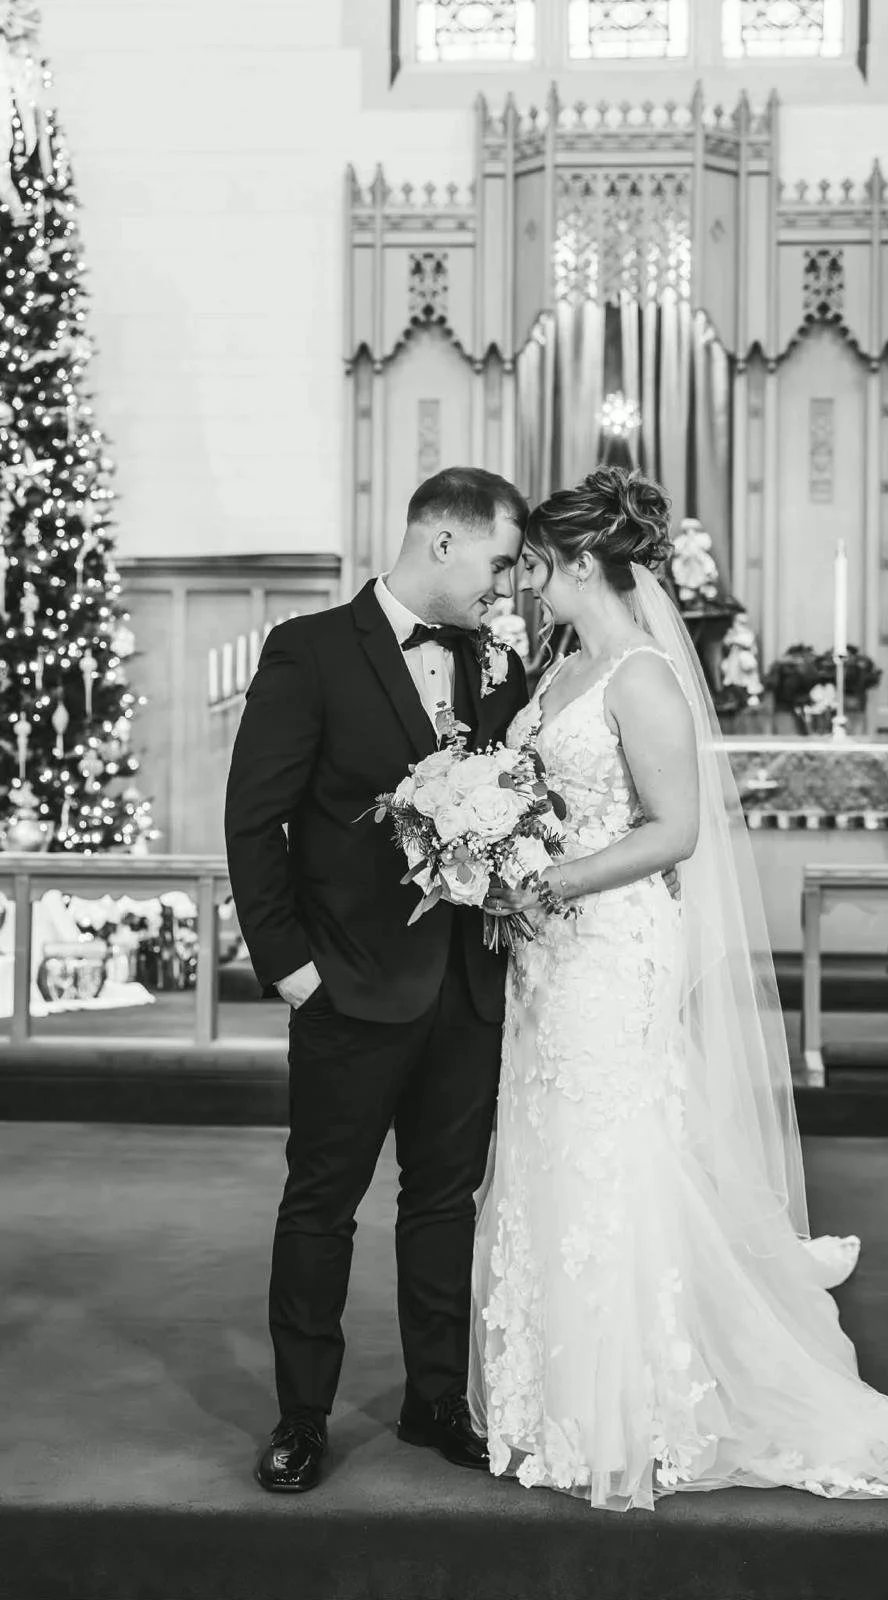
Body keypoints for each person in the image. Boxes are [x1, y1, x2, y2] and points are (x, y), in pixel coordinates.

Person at [470, 466, 888, 1513]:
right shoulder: (561, 668)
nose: (528, 583)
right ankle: (556, 1397)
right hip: (546, 949)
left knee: (613, 1146)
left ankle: (635, 1402)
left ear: (583, 562)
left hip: (610, 940)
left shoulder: (638, 676)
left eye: (538, 564)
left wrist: (556, 876)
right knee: (548, 1139)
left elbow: (674, 830)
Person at [225, 467, 529, 1492]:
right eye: (496, 562)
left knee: (444, 1202)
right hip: (347, 984)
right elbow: (253, 819)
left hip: (467, 986)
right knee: (322, 1205)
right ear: (443, 541)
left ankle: (434, 1397)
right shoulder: (309, 650)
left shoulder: (497, 661)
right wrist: (291, 967)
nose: (502, 585)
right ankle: (301, 1416)